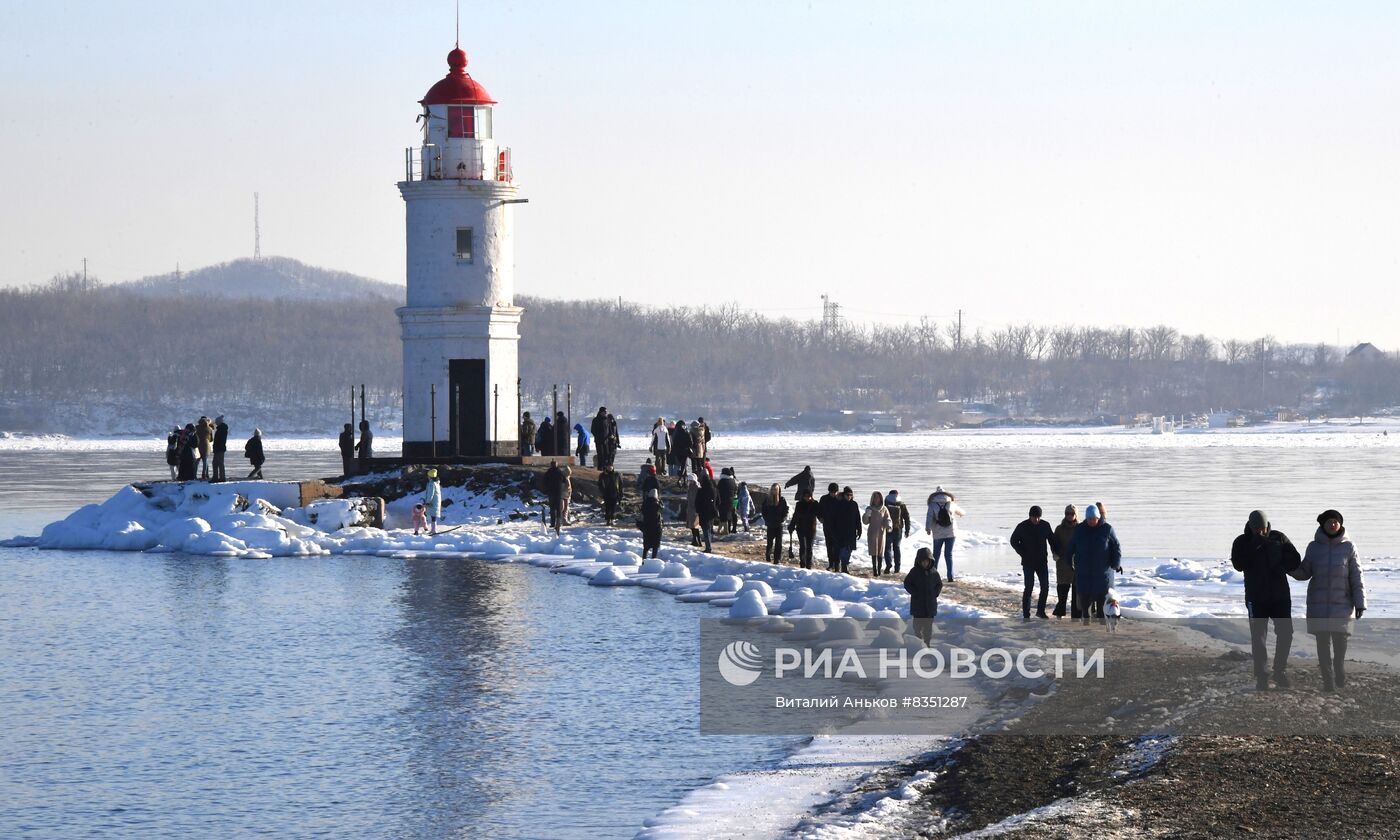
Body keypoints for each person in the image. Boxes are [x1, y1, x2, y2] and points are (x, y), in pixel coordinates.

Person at [1293, 509, 1366, 692]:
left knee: (1340, 644)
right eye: (1329, 522)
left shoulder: (1349, 547)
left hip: (1342, 604)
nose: (1333, 524)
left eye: (1335, 521)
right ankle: (1328, 681)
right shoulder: (1313, 547)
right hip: (1318, 604)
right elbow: (1305, 572)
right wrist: (1289, 567)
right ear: (1323, 525)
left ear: (1340, 524)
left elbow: (1357, 576)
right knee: (1322, 645)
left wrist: (1360, 603)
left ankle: (1339, 670)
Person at [1229, 509, 1301, 690]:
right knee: (1258, 638)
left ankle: (1280, 671)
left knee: (1286, 634)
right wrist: (1255, 544)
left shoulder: (1279, 538)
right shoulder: (1242, 541)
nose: (1259, 531)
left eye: (1262, 528)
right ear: (1250, 527)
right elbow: (1238, 565)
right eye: (1256, 529)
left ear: (1267, 525)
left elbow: (1295, 561)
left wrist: (1281, 563)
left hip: (1280, 597)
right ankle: (1262, 676)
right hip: (1256, 597)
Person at [1067, 504, 1121, 624]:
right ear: (1086, 518)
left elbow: (1116, 547)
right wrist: (1068, 561)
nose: (1092, 521)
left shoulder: (1107, 529)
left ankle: (1102, 628)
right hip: (1084, 573)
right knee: (1085, 605)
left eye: (1094, 519)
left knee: (1102, 605)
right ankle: (1086, 626)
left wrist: (1116, 563)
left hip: (1102, 573)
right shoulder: (1079, 529)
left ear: (1098, 517)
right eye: (1089, 519)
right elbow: (1071, 547)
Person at [1011, 505, 1056, 621]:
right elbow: (1013, 541)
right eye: (1034, 517)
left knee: (1045, 587)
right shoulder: (1022, 526)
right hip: (1028, 562)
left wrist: (1057, 552)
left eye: (1038, 517)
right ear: (1030, 516)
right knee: (1029, 587)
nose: (1036, 519)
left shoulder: (1045, 525)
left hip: (1042, 562)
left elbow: (1052, 540)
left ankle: (1040, 611)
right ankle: (1026, 614)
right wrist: (1022, 552)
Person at [904, 547, 943, 646]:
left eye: (926, 561)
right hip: (918, 605)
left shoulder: (934, 572)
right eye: (922, 561)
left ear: (930, 561)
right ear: (918, 561)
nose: (924, 563)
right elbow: (907, 583)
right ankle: (918, 640)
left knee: (928, 627)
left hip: (930, 605)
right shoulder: (914, 571)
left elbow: (939, 584)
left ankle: (927, 642)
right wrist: (914, 592)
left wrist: (935, 593)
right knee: (917, 625)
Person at [924, 486, 965, 581]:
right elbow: (962, 512)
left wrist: (928, 528)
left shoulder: (932, 505)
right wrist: (959, 514)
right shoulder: (951, 503)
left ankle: (933, 575)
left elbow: (929, 517)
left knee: (936, 554)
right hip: (951, 533)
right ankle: (950, 576)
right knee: (948, 554)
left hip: (938, 533)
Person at [1052, 505, 1081, 619]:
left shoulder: (1080, 528)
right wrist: (1055, 553)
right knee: (1062, 591)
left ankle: (1076, 616)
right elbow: (1054, 543)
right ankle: (1059, 613)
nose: (1069, 516)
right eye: (1067, 513)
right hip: (1062, 563)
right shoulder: (1059, 528)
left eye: (1072, 514)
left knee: (1076, 591)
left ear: (1076, 515)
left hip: (1077, 563)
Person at [863, 491, 892, 578]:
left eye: (878, 497)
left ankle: (879, 569)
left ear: (880, 499)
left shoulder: (884, 509)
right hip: (872, 532)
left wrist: (889, 526)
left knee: (880, 551)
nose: (876, 499)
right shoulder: (870, 508)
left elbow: (888, 519)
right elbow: (865, 522)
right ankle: (875, 569)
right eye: (875, 497)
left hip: (881, 533)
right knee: (873, 551)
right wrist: (867, 515)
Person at [883, 490, 912, 575]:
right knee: (897, 548)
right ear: (897, 494)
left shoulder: (886, 502)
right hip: (898, 529)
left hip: (888, 529)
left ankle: (888, 565)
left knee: (887, 548)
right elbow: (906, 517)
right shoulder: (901, 503)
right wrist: (907, 529)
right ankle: (897, 568)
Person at [835, 486, 862, 574]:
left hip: (851, 531)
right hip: (841, 530)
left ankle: (845, 563)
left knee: (849, 548)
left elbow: (858, 518)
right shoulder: (839, 503)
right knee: (843, 548)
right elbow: (835, 518)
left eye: (851, 495)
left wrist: (859, 529)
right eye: (847, 495)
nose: (849, 496)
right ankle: (844, 566)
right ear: (844, 495)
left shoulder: (854, 504)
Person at [789, 489, 819, 569]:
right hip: (801, 529)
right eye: (806, 496)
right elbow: (795, 516)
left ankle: (808, 565)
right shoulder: (799, 504)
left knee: (809, 547)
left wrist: (823, 519)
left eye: (809, 496)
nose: (807, 498)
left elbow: (819, 514)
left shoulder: (814, 504)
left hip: (811, 529)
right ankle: (802, 564)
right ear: (803, 496)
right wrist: (792, 525)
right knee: (803, 546)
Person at [817, 483, 843, 571]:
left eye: (835, 492)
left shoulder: (840, 499)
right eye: (832, 492)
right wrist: (820, 518)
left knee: (837, 546)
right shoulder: (824, 499)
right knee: (829, 545)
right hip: (827, 525)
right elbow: (819, 510)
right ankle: (831, 563)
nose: (834, 494)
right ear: (829, 491)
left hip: (838, 527)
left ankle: (837, 565)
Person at [761, 483, 789, 563]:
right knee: (770, 542)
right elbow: (764, 511)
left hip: (779, 524)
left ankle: (777, 559)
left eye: (775, 489)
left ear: (778, 490)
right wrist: (766, 519)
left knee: (778, 543)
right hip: (770, 524)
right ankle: (768, 555)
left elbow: (785, 510)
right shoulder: (767, 500)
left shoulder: (782, 500)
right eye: (772, 489)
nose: (774, 491)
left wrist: (783, 518)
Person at [696, 473, 720, 552]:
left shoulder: (701, 491)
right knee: (709, 529)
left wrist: (698, 510)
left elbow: (697, 502)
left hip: (703, 513)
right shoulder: (714, 490)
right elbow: (718, 501)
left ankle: (708, 547)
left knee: (705, 530)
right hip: (712, 512)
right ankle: (708, 545)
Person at [640, 488, 663, 559]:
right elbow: (662, 509)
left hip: (647, 526)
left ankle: (644, 560)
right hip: (656, 527)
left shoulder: (645, 503)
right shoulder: (657, 505)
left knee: (646, 546)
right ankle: (653, 560)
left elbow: (642, 511)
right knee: (655, 546)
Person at [543, 461, 565, 534]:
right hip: (558, 492)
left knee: (552, 508)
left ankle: (552, 523)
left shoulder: (548, 472)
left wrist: (546, 489)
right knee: (559, 509)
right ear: (557, 465)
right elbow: (564, 480)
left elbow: (544, 481)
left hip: (551, 493)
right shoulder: (560, 472)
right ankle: (558, 523)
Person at [717, 468, 737, 534]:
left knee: (723, 516)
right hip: (731, 501)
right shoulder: (733, 481)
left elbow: (718, 492)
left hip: (723, 501)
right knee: (728, 516)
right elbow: (735, 491)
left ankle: (725, 530)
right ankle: (721, 530)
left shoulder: (722, 482)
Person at [422, 468, 442, 536]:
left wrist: (427, 502)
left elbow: (431, 493)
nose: (427, 477)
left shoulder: (432, 484)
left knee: (433, 516)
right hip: (435, 501)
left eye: (428, 475)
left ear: (430, 476)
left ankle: (434, 530)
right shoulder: (436, 483)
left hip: (432, 502)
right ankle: (433, 529)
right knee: (433, 515)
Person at [196, 415, 214, 480]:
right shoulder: (209, 429)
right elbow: (211, 439)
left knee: (197, 461)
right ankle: (205, 474)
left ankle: (194, 474)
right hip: (206, 446)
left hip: (198, 446)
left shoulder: (196, 428)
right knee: (205, 461)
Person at [212, 415, 228, 482]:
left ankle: (221, 478)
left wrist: (216, 447)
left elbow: (219, 440)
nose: (215, 423)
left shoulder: (221, 430)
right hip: (219, 449)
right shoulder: (221, 429)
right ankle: (218, 477)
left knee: (219, 463)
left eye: (216, 422)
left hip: (219, 449)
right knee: (216, 463)